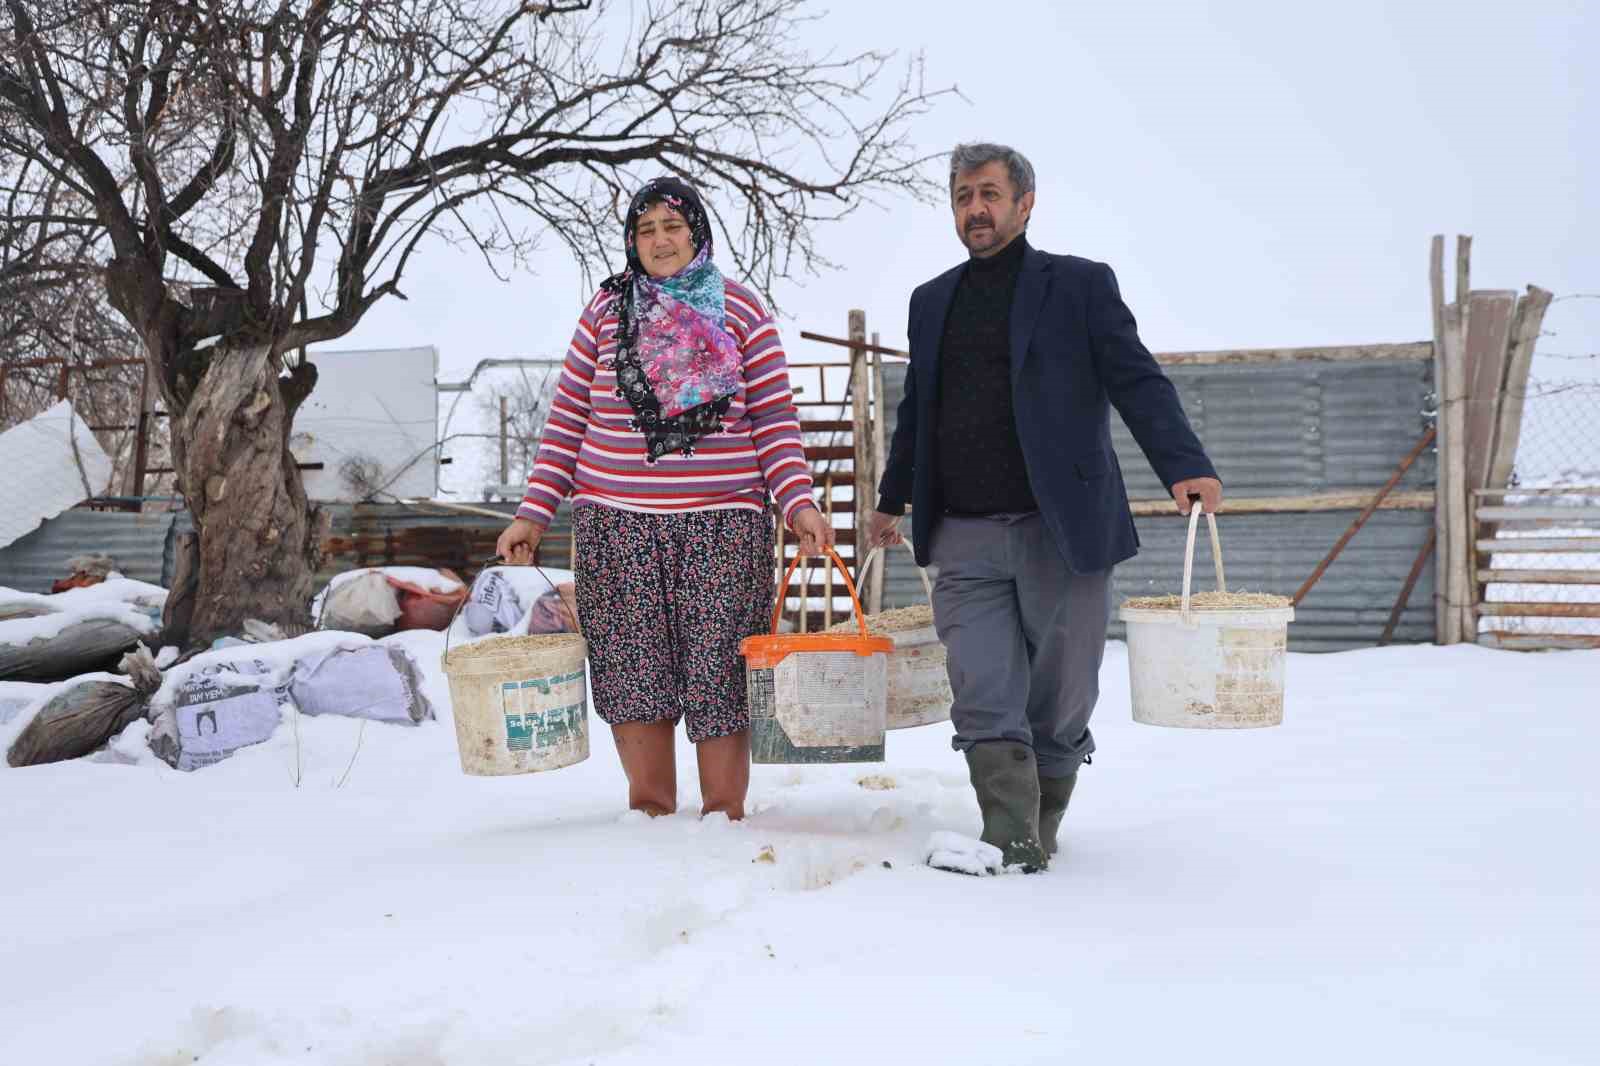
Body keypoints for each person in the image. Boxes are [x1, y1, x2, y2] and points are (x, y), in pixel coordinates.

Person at [868, 143, 1222, 872]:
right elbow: (917, 413)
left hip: (1060, 531)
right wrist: (891, 498)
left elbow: (1138, 380)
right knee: (981, 686)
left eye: (990, 194)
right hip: (962, 531)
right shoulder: (931, 302)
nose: (976, 208)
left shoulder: (1080, 287)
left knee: (1061, 697)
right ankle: (1011, 837)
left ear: (1025, 204)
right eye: (963, 196)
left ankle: (1043, 823)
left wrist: (1184, 466)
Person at [497, 177, 834, 821]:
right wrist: (532, 513)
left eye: (672, 226)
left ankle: (723, 816)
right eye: (645, 229)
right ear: (631, 241)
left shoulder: (741, 311)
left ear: (697, 232)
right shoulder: (606, 312)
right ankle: (648, 814)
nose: (659, 240)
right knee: (633, 667)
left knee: (721, 669)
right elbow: (567, 418)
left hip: (723, 525)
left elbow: (774, 422)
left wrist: (798, 504)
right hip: (615, 527)